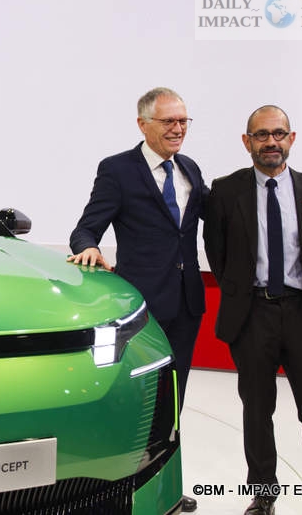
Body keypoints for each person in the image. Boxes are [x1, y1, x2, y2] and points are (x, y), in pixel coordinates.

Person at [203, 105, 302, 515]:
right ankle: (264, 496)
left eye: (278, 133)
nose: (270, 142)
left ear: (291, 138)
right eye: (261, 134)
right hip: (252, 315)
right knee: (257, 412)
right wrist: (244, 294)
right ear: (247, 141)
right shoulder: (225, 191)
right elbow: (217, 254)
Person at [68, 87, 207, 513]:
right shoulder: (118, 170)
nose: (178, 129)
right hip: (143, 309)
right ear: (143, 124)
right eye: (169, 121)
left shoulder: (190, 169)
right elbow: (86, 228)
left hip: (186, 304)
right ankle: (121, 489)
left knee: (175, 401)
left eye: (183, 121)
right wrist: (89, 248)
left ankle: (167, 486)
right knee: (140, 404)